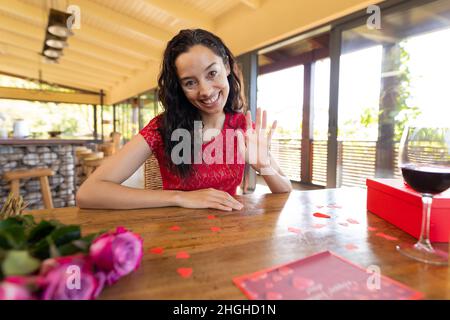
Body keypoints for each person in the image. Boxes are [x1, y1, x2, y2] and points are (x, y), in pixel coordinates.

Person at [76, 29, 292, 211]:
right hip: (177, 234)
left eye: (212, 73)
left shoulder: (242, 126)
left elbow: (285, 190)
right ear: (179, 88)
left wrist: (264, 166)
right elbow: (88, 193)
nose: (205, 91)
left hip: (229, 234)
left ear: (226, 67)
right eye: (190, 82)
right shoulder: (162, 128)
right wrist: (179, 197)